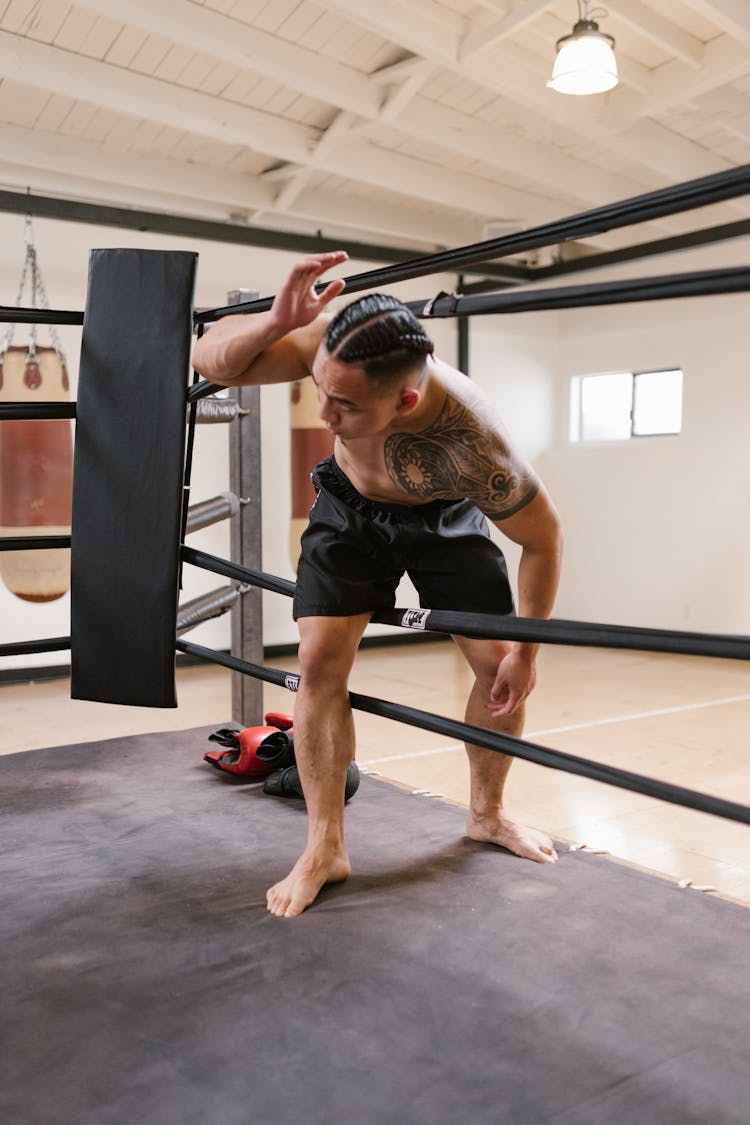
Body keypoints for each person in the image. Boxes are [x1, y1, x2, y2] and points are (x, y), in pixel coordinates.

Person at [191, 250, 563, 919]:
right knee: (317, 664)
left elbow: (543, 539)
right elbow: (208, 358)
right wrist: (277, 320)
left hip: (447, 516)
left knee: (498, 669)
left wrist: (527, 653)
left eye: (346, 405)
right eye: (320, 393)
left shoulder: (475, 445)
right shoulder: (331, 347)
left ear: (406, 400)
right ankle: (324, 845)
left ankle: (487, 812)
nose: (325, 417)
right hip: (350, 512)